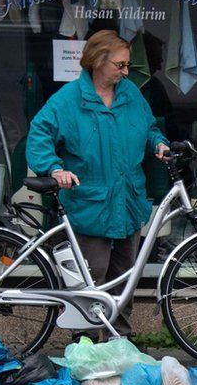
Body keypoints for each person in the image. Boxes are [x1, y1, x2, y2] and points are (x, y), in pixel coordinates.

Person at [27, 29, 169, 339]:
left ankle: (120, 341)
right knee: (92, 281)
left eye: (127, 65)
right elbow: (38, 135)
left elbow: (149, 127)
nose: (126, 71)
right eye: (120, 65)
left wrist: (158, 143)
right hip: (90, 205)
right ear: (97, 61)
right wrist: (54, 168)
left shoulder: (129, 93)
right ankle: (87, 345)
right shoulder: (68, 100)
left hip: (128, 201)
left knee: (125, 279)